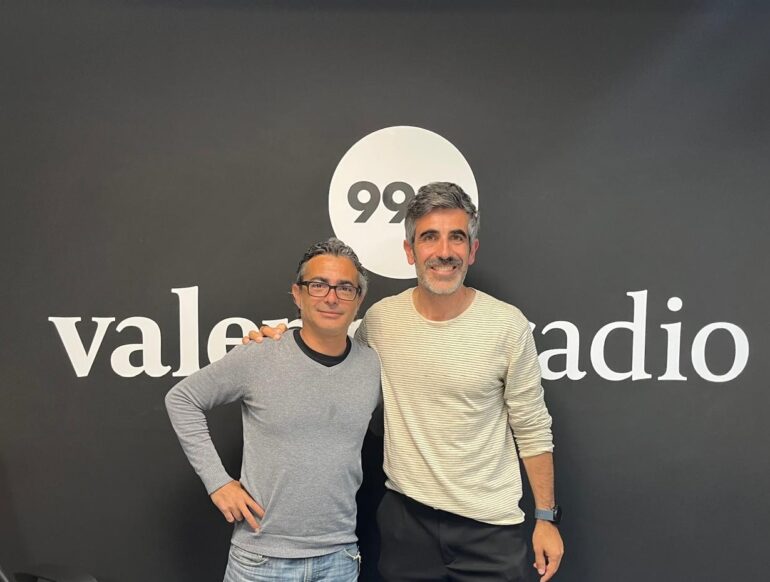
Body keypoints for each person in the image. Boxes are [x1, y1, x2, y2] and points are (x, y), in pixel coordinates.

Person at [250, 183, 564, 582]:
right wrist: (276, 343)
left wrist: (545, 517)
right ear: (409, 250)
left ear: (472, 250)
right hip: (406, 528)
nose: (444, 251)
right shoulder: (381, 321)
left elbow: (532, 426)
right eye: (429, 237)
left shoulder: (506, 325)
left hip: (491, 532)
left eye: (456, 237)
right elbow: (328, 360)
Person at [166, 238, 381, 582]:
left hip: (338, 559)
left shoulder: (372, 367)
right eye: (318, 285)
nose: (331, 297)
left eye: (345, 288)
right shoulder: (260, 355)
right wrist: (218, 482)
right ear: (297, 294)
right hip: (260, 560)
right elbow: (182, 399)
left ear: (359, 300)